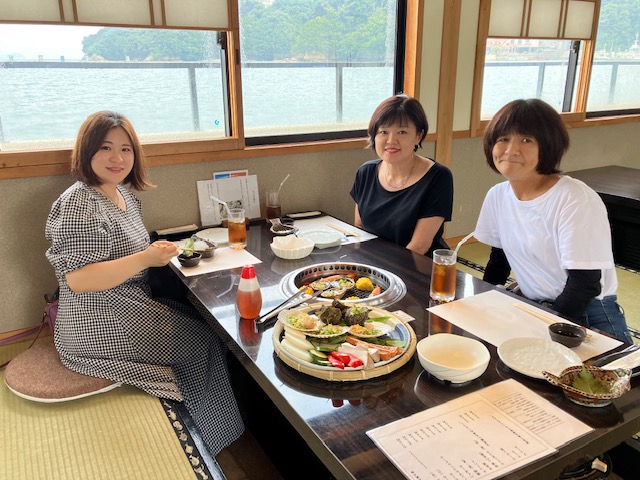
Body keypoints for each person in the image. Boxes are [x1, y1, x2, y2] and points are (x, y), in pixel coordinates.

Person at [45, 111, 244, 459]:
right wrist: (145, 259)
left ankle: (211, 431)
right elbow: (79, 279)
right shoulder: (79, 203)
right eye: (105, 148)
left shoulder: (121, 194)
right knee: (201, 341)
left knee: (205, 323)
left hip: (129, 303)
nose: (117, 158)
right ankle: (202, 447)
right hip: (97, 318)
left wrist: (156, 253)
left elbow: (130, 252)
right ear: (87, 151)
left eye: (126, 149)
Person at [474, 98, 632, 343]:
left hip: (585, 313)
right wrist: (483, 305)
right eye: (503, 139)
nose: (511, 150)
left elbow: (585, 284)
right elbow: (499, 259)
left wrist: (545, 331)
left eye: (526, 140)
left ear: (548, 146)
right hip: (533, 305)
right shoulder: (497, 195)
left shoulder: (574, 198)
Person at [350, 94, 453, 256]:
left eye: (402, 132)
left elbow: (420, 246)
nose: (391, 140)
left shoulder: (438, 177)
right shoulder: (366, 172)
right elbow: (360, 228)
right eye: (383, 131)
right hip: (375, 263)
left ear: (418, 136)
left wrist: (382, 269)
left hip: (416, 265)